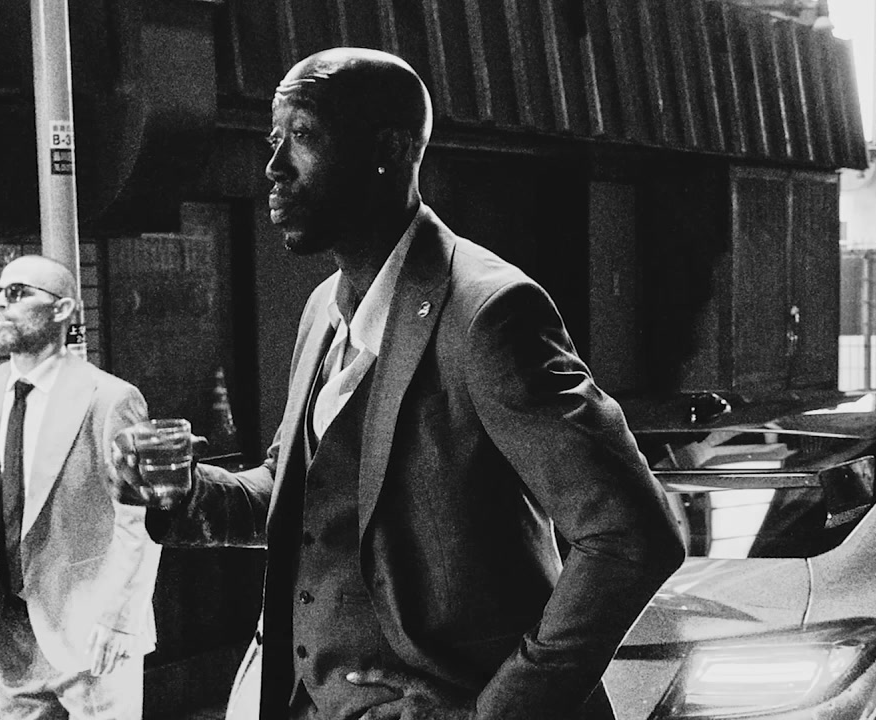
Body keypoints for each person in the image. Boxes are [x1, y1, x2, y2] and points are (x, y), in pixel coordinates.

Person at [109, 47, 684, 720]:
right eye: (273, 140)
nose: (274, 167)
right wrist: (184, 492)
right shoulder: (321, 309)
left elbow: (633, 535)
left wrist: (494, 711)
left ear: (389, 150)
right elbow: (299, 498)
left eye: (303, 136)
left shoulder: (490, 313)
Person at [0, 254, 162, 719]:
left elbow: (141, 521)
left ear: (62, 308)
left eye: (17, 293)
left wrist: (120, 618)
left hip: (92, 628)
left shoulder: (109, 398)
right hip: (15, 632)